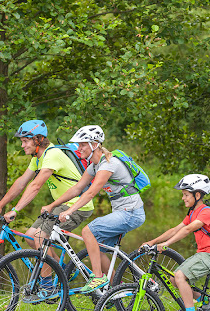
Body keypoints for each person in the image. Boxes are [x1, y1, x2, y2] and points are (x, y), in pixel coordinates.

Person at [40, 125, 145, 293]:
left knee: (88, 231)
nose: (78, 148)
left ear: (94, 145)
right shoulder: (94, 166)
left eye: (82, 144)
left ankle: (98, 278)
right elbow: (77, 189)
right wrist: (53, 206)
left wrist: (68, 211)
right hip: (121, 213)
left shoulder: (109, 164)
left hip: (131, 213)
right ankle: (114, 291)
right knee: (98, 248)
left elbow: (90, 193)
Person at [0, 119, 94, 253]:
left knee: (39, 237)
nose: (22, 145)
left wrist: (15, 210)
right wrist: (0, 205)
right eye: (22, 141)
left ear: (38, 139)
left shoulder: (52, 154)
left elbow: (35, 186)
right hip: (61, 204)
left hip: (78, 204)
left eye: (25, 141)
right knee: (30, 237)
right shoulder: (38, 158)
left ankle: (47, 275)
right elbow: (21, 183)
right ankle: (57, 270)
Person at [142, 174, 210, 311]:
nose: (183, 198)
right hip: (204, 254)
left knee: (180, 276)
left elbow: (188, 229)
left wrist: (166, 245)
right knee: (174, 279)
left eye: (186, 195)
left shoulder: (207, 212)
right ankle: (205, 301)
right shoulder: (192, 213)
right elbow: (175, 229)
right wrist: (153, 242)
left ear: (198, 195)